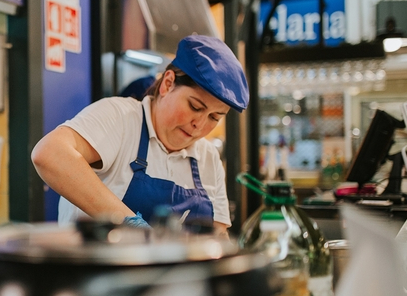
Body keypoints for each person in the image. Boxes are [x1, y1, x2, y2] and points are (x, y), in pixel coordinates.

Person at [31, 35, 249, 234]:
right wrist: (131, 224)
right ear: (168, 84)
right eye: (195, 107)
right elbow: (50, 153)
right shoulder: (121, 118)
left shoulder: (208, 157)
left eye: (214, 117)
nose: (199, 125)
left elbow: (218, 237)